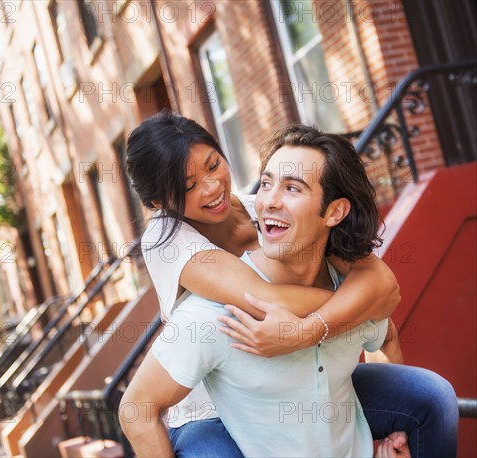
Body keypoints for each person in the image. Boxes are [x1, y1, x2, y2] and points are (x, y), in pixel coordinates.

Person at [123, 114, 458, 456]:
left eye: (213, 165)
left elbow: (382, 287)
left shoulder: (269, 209)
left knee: (431, 398)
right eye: (188, 186)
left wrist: (329, 320)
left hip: (295, 380)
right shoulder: (167, 242)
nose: (211, 187)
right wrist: (358, 301)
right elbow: (263, 297)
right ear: (157, 203)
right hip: (208, 407)